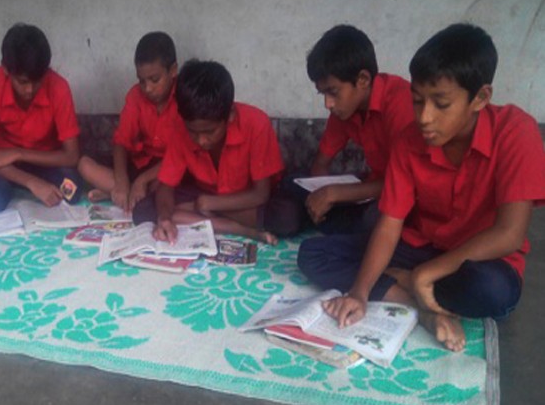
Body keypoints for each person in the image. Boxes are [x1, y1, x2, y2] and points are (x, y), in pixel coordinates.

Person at [299, 24, 545, 352]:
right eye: (417, 101)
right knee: (313, 254)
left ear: (480, 98)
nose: (425, 118)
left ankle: (407, 280)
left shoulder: (516, 131)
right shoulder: (409, 141)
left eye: (441, 104)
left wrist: (425, 273)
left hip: (479, 258)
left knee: (491, 292)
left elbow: (509, 234)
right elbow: (390, 224)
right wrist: (358, 293)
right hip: (421, 247)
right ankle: (424, 306)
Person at [264, 24, 414, 237]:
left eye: (333, 92)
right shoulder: (344, 110)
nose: (328, 104)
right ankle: (335, 228)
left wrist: (335, 193)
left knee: (374, 221)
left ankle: (347, 235)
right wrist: (319, 197)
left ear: (363, 80)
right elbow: (321, 163)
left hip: (397, 195)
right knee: (289, 193)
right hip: (368, 186)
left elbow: (407, 183)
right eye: (322, 94)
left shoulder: (401, 103)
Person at [143, 59, 283, 243]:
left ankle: (197, 214)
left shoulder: (257, 124)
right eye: (193, 132)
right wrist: (164, 219)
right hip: (206, 195)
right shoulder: (180, 127)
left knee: (286, 218)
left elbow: (260, 194)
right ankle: (235, 228)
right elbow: (166, 186)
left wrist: (208, 204)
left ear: (230, 114)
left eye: (210, 131)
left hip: (246, 200)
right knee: (144, 211)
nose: (202, 140)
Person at [0, 23, 83, 213]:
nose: (29, 90)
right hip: (2, 165)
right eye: (22, 82)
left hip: (41, 162)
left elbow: (72, 156)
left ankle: (17, 185)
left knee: (73, 190)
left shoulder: (59, 87)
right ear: (6, 70)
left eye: (37, 81)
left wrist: (19, 153)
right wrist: (33, 183)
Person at [78, 31, 178, 212]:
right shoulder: (135, 96)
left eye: (155, 80)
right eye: (141, 81)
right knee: (85, 165)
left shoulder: (184, 99)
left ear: (173, 71)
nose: (147, 88)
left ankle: (118, 194)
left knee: (165, 185)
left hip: (167, 168)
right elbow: (121, 143)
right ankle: (125, 193)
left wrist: (142, 180)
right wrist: (122, 182)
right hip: (140, 163)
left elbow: (181, 155)